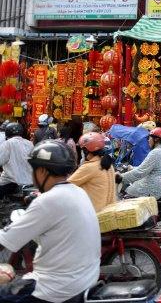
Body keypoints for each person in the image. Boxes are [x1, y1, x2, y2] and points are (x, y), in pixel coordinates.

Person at [0, 140, 100, 302]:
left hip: (55, 287)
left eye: (33, 170)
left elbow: (4, 240)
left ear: (42, 171)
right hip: (84, 280)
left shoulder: (48, 201)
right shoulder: (78, 192)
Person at [68, 132, 117, 212]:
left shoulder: (89, 167)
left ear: (85, 151)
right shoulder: (108, 164)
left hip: (96, 215)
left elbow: (67, 185)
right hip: (110, 212)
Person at [120, 127, 161, 199]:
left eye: (149, 138)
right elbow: (147, 168)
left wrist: (121, 177)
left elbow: (140, 172)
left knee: (128, 193)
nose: (148, 140)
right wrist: (132, 168)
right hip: (160, 185)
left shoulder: (156, 152)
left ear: (156, 139)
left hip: (151, 188)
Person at [0, 123, 33, 198]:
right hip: (30, 182)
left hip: (12, 182)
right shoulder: (30, 143)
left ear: (7, 133)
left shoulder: (7, 144)